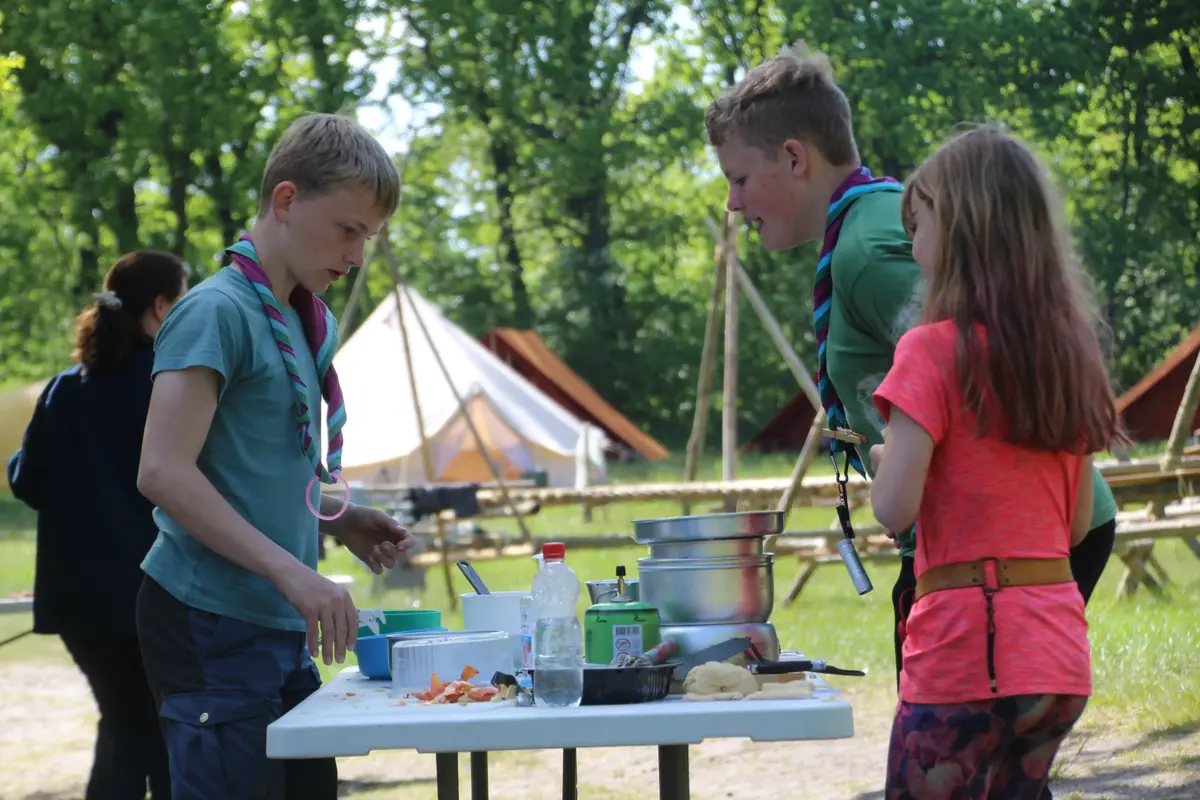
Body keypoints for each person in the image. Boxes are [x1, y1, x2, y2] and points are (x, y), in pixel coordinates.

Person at [703, 45, 1118, 692]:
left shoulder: (869, 249)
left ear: (793, 157)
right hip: (976, 547)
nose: (732, 203)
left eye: (738, 178)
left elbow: (997, 364)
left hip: (1009, 548)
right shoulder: (862, 230)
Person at [134, 112, 415, 800]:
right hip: (209, 618)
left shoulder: (296, 315)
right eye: (348, 230)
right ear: (286, 201)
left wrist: (332, 516)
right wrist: (293, 573)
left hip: (277, 619)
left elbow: (251, 469)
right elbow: (163, 472)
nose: (356, 255)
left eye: (368, 238)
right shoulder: (216, 311)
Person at [868, 124, 1124, 797]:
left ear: (956, 232)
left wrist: (886, 459)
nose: (911, 244)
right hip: (1056, 662)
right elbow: (1069, 529)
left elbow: (894, 508)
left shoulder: (928, 351)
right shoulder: (1065, 357)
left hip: (964, 656)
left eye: (917, 223)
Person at [7, 250, 188, 800]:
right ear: (160, 307)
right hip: (152, 594)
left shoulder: (65, 389)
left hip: (77, 602)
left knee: (128, 727)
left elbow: (26, 482)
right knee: (151, 733)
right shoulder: (171, 386)